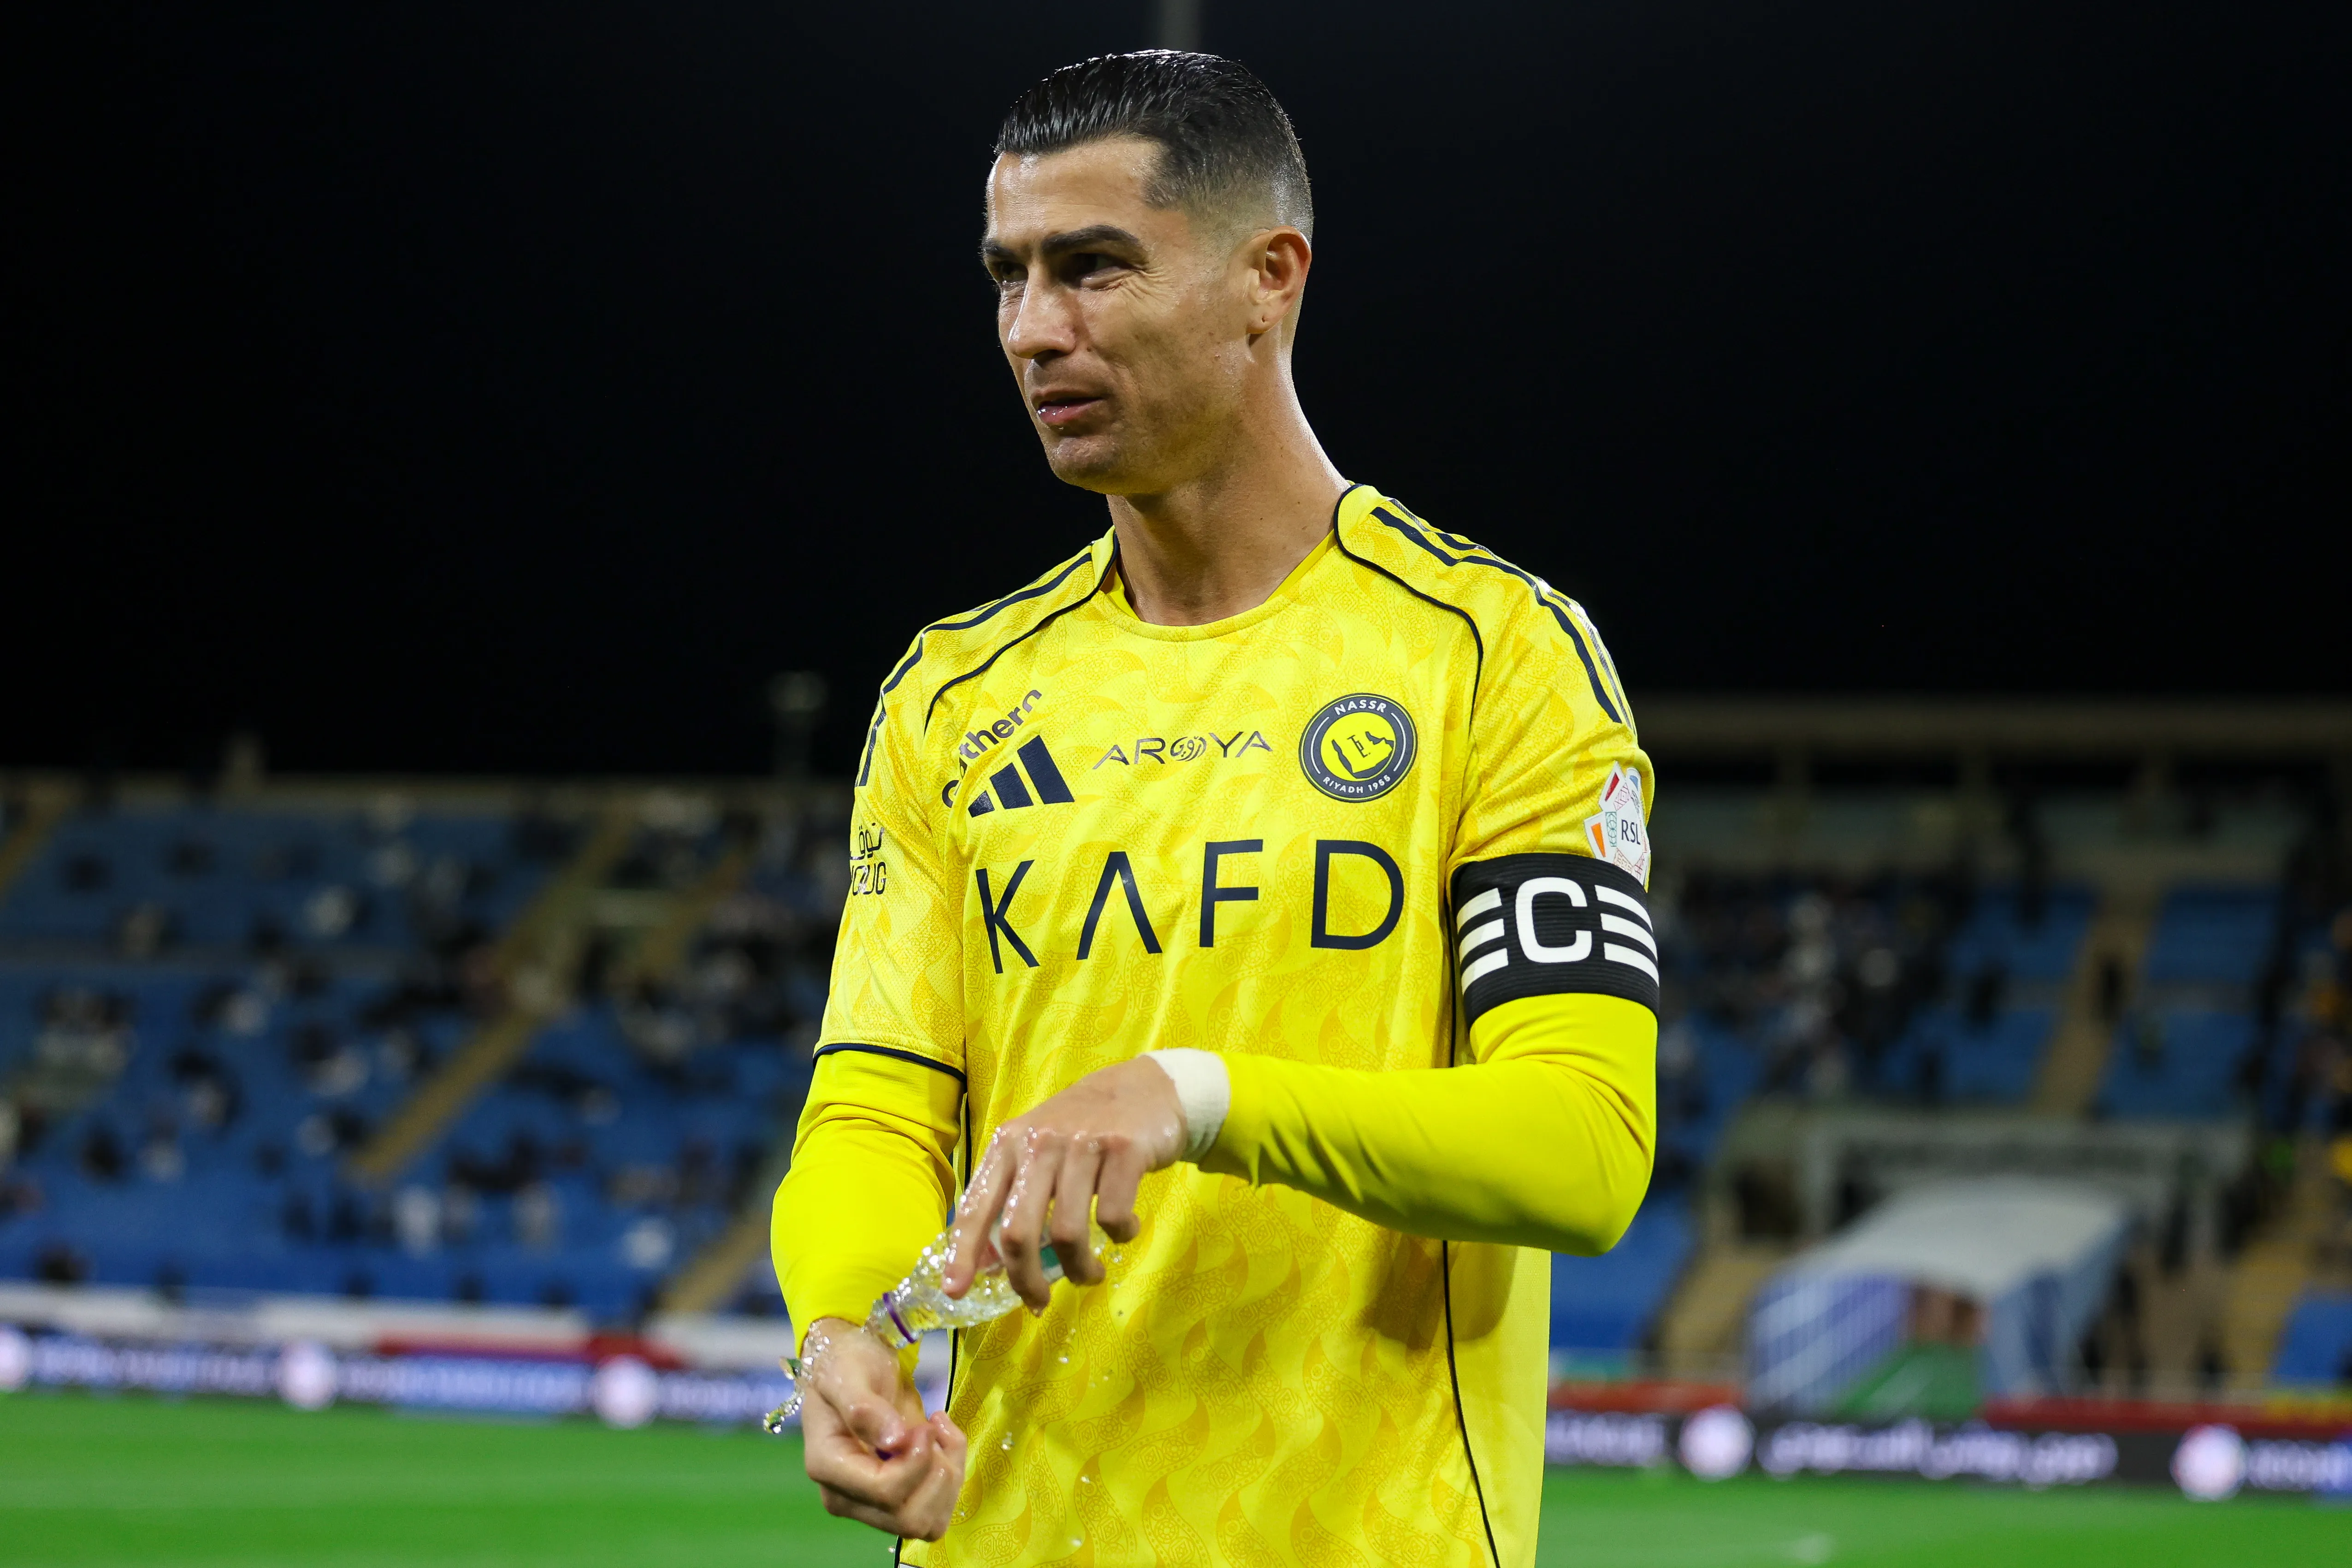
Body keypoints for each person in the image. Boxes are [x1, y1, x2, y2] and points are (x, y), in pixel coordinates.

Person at [771, 51, 1657, 1568]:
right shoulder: (951, 700)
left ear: (1269, 278)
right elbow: (873, 1108)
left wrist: (1192, 1096)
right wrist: (842, 1330)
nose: (1034, 330)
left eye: (1095, 269)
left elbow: (1578, 1149)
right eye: (1009, 276)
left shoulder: (1489, 657)